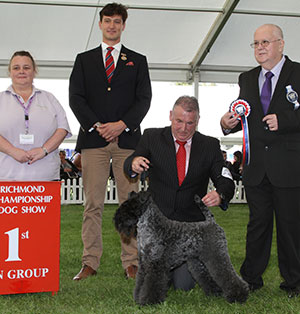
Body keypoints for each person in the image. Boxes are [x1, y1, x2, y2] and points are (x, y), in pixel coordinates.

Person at [69, 3, 152, 281]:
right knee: (92, 204)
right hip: (93, 142)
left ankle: (132, 262)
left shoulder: (138, 60)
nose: (112, 25)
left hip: (128, 142)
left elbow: (144, 99)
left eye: (117, 21)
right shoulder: (84, 59)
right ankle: (90, 262)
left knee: (129, 203)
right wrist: (98, 125)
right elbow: (76, 98)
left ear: (123, 25)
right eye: (107, 21)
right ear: (100, 24)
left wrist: (122, 124)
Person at [220, 24, 300, 297]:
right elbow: (245, 115)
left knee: (291, 227)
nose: (260, 47)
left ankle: (294, 283)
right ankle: (250, 279)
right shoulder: (247, 77)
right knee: (257, 226)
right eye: (255, 43)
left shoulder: (298, 73)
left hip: (289, 166)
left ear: (281, 44)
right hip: (256, 168)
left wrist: (286, 121)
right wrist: (227, 122)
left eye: (265, 42)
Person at [124, 96, 234, 291]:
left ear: (198, 120)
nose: (184, 129)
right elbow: (132, 160)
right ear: (170, 117)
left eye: (190, 123)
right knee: (157, 281)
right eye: (179, 121)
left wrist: (220, 194)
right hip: (158, 223)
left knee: (183, 286)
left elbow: (225, 178)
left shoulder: (209, 145)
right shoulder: (151, 137)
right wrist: (134, 163)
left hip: (190, 227)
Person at [0, 51, 71, 181]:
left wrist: (44, 150)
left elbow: (63, 129)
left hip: (46, 176)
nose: (21, 71)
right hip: (6, 176)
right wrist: (12, 151)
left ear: (34, 71)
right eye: (16, 68)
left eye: (26, 67)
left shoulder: (49, 98)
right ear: (10, 72)